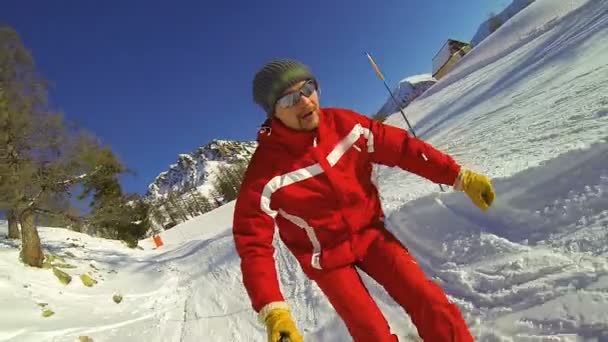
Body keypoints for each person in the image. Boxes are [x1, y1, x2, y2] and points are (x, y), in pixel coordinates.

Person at [232, 59, 495, 342]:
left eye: (308, 88)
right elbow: (253, 243)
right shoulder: (265, 171)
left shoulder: (346, 125)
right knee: (371, 333)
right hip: (327, 260)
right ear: (273, 113)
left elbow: (402, 149)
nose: (305, 101)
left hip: (370, 235)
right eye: (289, 98)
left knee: (429, 300)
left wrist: (457, 176)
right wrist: (273, 310)